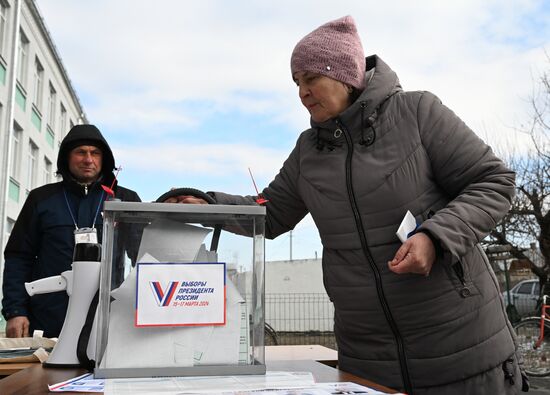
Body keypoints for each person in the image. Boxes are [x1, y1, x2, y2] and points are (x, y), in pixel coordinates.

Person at [164, 16, 527, 394]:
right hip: (368, 361)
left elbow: (494, 182)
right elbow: (269, 214)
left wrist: (435, 237)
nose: (302, 92)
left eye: (311, 78)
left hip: (462, 350)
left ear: (345, 76)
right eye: (296, 82)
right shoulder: (308, 151)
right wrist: (206, 204)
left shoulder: (418, 113)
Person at [2, 124, 141, 339]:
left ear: (104, 159)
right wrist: (15, 310)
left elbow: (144, 255)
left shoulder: (124, 200)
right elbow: (19, 257)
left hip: (108, 319)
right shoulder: (41, 199)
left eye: (95, 153)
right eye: (81, 152)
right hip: (49, 320)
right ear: (67, 157)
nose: (88, 159)